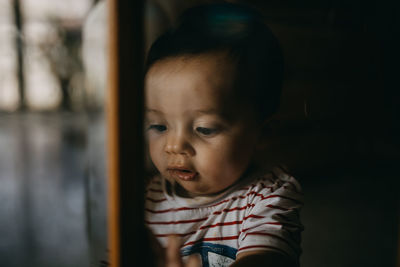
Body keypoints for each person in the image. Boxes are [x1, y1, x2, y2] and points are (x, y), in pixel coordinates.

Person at [144, 3, 303, 266]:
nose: (174, 146)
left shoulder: (268, 195)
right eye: (159, 126)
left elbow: (266, 259)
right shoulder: (147, 198)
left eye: (204, 129)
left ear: (263, 133)